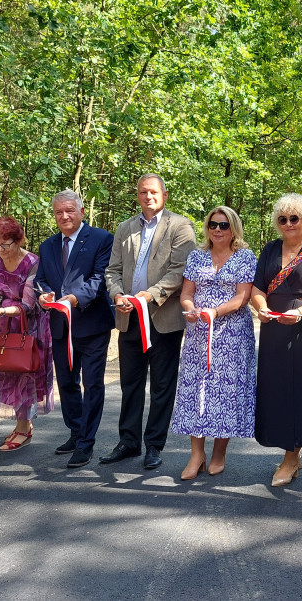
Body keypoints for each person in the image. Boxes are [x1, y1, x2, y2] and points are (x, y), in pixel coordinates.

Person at [102, 174, 196, 469]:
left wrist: (150, 296)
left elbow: (179, 271)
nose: (148, 196)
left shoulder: (180, 227)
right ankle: (128, 442)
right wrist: (119, 296)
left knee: (162, 385)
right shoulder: (125, 228)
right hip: (128, 317)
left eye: (153, 192)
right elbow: (112, 270)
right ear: (138, 195)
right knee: (130, 384)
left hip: (162, 319)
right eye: (143, 192)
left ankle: (154, 445)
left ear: (164, 196)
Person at [249, 194, 302, 487]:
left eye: (294, 218)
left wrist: (299, 312)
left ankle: (291, 456)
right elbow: (257, 287)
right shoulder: (270, 248)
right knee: (278, 390)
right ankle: (289, 452)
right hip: (274, 329)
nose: (288, 224)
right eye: (282, 219)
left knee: (300, 390)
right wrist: (260, 307)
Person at [171, 207, 257, 479]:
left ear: (233, 228)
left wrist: (215, 312)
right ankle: (196, 454)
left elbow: (243, 297)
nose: (217, 230)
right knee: (197, 390)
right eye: (212, 225)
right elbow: (187, 293)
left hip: (232, 334)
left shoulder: (245, 256)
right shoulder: (196, 256)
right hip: (199, 334)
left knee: (227, 393)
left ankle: (219, 452)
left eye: (223, 225)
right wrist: (191, 309)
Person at [35, 190, 115, 469]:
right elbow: (42, 280)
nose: (64, 216)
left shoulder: (102, 239)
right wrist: (44, 296)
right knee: (67, 382)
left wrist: (73, 298)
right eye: (59, 212)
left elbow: (100, 278)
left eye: (69, 210)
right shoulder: (47, 246)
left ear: (82, 211)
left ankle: (86, 444)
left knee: (92, 384)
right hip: (60, 325)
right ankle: (76, 431)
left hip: (92, 323)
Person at [0, 216, 54, 451]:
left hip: (30, 327)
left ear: (18, 240)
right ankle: (22, 425)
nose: (1, 249)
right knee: (9, 375)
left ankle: (23, 428)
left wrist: (1, 310)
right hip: (5, 324)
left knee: (25, 376)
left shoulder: (33, 262)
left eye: (6, 244)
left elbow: (28, 305)